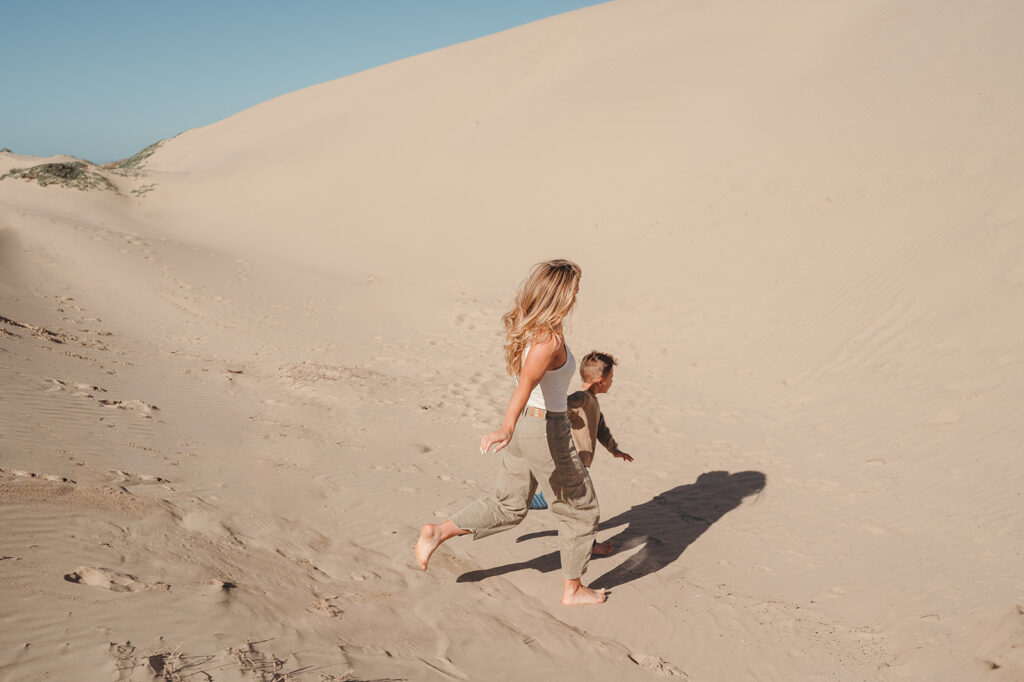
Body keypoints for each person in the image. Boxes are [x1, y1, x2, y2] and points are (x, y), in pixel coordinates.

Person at [415, 259, 606, 605]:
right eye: (574, 291)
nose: (576, 297)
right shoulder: (549, 339)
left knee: (510, 505)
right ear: (561, 295)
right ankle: (573, 589)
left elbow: (527, 385)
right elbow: (527, 384)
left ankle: (438, 532)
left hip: (527, 429)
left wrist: (512, 427)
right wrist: (505, 426)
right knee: (580, 509)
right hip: (545, 428)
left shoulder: (532, 330)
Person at [530, 351, 634, 557]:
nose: (612, 382)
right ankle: (591, 545)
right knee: (586, 507)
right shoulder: (582, 398)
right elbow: (560, 404)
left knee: (563, 502)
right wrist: (561, 415)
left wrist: (614, 449)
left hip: (576, 464)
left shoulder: (592, 401)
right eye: (611, 379)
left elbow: (601, 428)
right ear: (601, 380)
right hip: (572, 463)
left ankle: (518, 499)